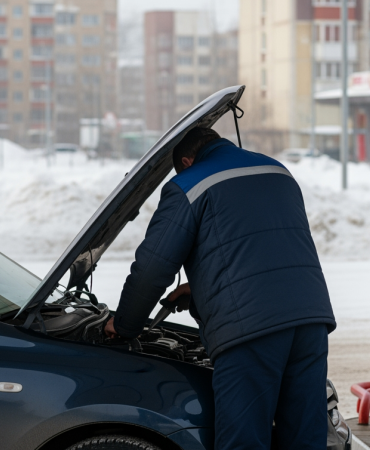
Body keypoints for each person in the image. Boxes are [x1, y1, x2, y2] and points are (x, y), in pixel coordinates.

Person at [104, 127, 336, 449]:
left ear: (187, 161)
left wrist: (126, 324)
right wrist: (199, 290)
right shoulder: (276, 170)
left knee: (243, 442)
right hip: (310, 319)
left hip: (250, 330)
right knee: (305, 439)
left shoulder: (189, 184)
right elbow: (263, 244)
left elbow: (152, 269)